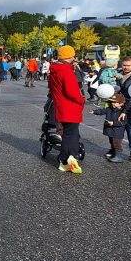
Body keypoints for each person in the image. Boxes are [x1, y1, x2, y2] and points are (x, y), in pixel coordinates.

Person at [48, 45, 84, 174]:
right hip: (70, 107)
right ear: (70, 56)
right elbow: (72, 91)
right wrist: (81, 100)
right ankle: (66, 159)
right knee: (72, 134)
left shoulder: (55, 69)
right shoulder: (66, 70)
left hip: (60, 105)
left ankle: (67, 158)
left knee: (68, 133)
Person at [89, 92, 126, 162]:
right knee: (111, 142)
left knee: (117, 143)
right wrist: (94, 111)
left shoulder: (122, 113)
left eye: (115, 102)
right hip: (110, 129)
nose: (112, 103)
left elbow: (124, 122)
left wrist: (114, 123)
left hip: (117, 131)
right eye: (112, 102)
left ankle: (118, 156)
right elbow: (102, 111)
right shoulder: (109, 109)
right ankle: (113, 153)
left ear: (121, 103)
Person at [116, 56, 131, 161]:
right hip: (116, 105)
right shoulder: (117, 74)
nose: (125, 67)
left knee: (129, 128)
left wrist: (126, 105)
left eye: (128, 65)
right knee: (114, 128)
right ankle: (115, 149)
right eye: (124, 65)